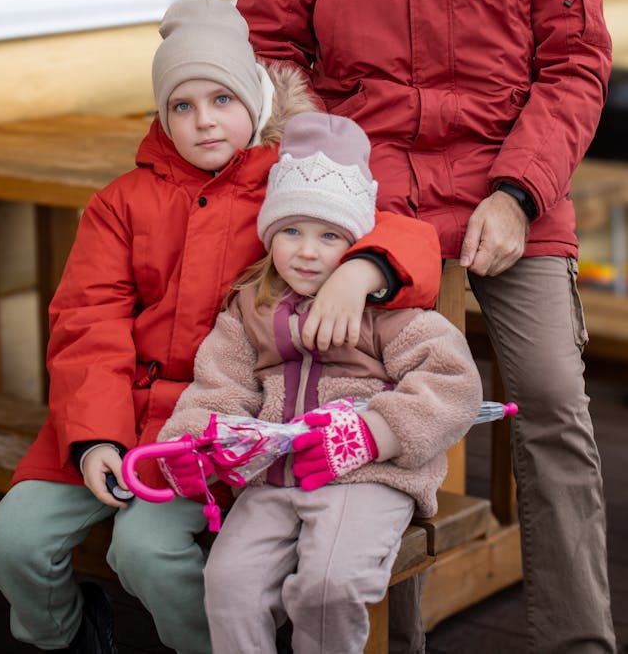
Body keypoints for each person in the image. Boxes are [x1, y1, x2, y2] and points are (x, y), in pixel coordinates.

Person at [236, 0, 616, 653]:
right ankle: (325, 599)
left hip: (505, 189)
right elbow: (269, 37)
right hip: (367, 198)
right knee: (323, 380)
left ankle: (576, 641)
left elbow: (576, 61)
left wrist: (520, 191)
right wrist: (327, 169)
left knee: (552, 405)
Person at [0, 0, 442, 654]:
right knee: (12, 538)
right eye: (182, 105)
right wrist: (92, 439)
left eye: (221, 99)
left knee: (145, 549)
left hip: (213, 423)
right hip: (108, 414)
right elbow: (88, 322)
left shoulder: (290, 188)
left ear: (254, 99)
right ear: (163, 116)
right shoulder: (122, 203)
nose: (203, 121)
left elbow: (409, 235)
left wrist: (363, 268)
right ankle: (71, 631)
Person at [156, 111, 483, 654]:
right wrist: (197, 439)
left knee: (329, 587)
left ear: (355, 241)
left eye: (328, 235)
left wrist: (375, 433)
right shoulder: (251, 307)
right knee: (228, 584)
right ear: (270, 235)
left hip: (366, 478)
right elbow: (220, 384)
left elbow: (452, 384)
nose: (306, 252)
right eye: (291, 232)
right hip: (273, 479)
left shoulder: (386, 311)